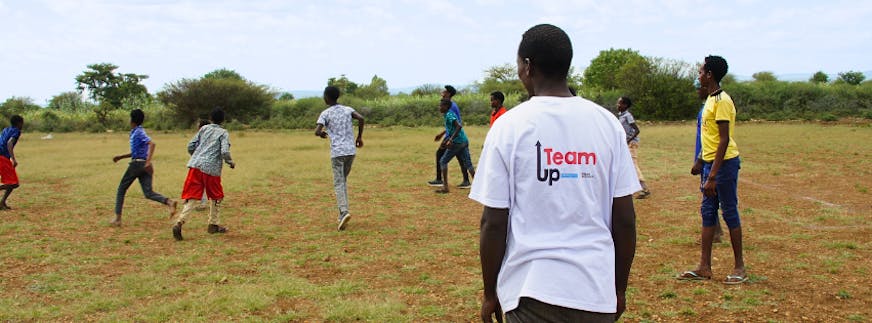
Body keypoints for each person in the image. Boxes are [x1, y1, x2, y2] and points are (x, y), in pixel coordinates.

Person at [472, 24, 638, 322]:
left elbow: (493, 223)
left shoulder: (509, 127)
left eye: (518, 63)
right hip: (595, 292)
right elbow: (625, 220)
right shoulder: (607, 124)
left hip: (531, 292)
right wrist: (619, 290)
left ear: (528, 66)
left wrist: (489, 293)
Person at [678, 55, 747, 284]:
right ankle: (704, 267)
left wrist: (714, 175)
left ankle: (739, 268)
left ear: (709, 75)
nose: (698, 75)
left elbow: (724, 140)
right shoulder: (709, 100)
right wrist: (700, 160)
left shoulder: (722, 101)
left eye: (700, 71)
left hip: (724, 165)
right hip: (710, 164)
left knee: (729, 212)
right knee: (708, 213)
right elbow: (709, 136)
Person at [172, 108, 235, 241]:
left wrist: (197, 156)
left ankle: (179, 222)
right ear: (223, 120)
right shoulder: (223, 133)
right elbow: (224, 151)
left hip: (195, 166)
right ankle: (213, 224)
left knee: (192, 196)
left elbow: (190, 145)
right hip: (211, 169)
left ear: (210, 118)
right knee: (217, 196)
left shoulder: (204, 129)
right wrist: (230, 162)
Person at [111, 109, 177, 226]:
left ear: (132, 120)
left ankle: (117, 218)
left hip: (138, 165)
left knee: (121, 189)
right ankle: (169, 202)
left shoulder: (138, 133)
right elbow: (136, 152)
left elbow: (152, 144)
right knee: (148, 193)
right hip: (143, 165)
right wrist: (121, 157)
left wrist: (148, 161)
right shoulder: (137, 132)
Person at [315, 86, 365, 231]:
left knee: (339, 183)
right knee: (342, 181)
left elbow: (317, 131)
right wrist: (359, 137)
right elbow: (361, 118)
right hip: (350, 151)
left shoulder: (325, 113)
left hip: (337, 153)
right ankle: (342, 212)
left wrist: (322, 134)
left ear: (327, 97)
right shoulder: (348, 109)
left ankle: (344, 212)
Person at [691, 79, 724, 243]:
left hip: (708, 158)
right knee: (708, 195)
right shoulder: (705, 107)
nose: (697, 91)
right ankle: (716, 230)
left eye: (698, 88)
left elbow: (713, 137)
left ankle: (715, 233)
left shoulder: (710, 108)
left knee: (710, 196)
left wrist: (700, 159)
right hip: (705, 157)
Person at [429, 85, 472, 189]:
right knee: (460, 157)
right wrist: (442, 134)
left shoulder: (451, 107)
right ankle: (466, 180)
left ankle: (441, 180)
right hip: (453, 136)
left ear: (448, 94)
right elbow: (451, 124)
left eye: (444, 91)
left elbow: (458, 123)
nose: (442, 92)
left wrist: (449, 138)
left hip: (453, 137)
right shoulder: (449, 105)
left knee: (441, 156)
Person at [435, 98, 475, 194]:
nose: (439, 107)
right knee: (468, 164)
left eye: (441, 106)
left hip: (457, 142)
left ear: (446, 107)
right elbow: (452, 128)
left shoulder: (449, 115)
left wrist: (451, 139)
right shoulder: (447, 114)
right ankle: (479, 187)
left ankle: (445, 187)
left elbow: (458, 126)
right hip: (464, 141)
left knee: (443, 161)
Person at [617, 96, 651, 199]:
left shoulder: (627, 116)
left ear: (625, 105)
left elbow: (637, 130)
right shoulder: (621, 115)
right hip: (626, 144)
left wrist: (628, 141)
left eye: (620, 103)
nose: (617, 105)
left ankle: (644, 189)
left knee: (633, 165)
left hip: (631, 144)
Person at [0, 115, 24, 210]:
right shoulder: (16, 131)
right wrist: (13, 159)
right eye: (22, 123)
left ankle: (2, 203)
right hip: (2, 157)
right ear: (19, 123)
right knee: (14, 183)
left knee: (12, 183)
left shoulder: (6, 129)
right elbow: (9, 143)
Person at [194, 119, 211, 211]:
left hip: (202, 162)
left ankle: (203, 203)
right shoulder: (211, 137)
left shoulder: (201, 137)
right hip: (210, 163)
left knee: (201, 183)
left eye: (198, 126)